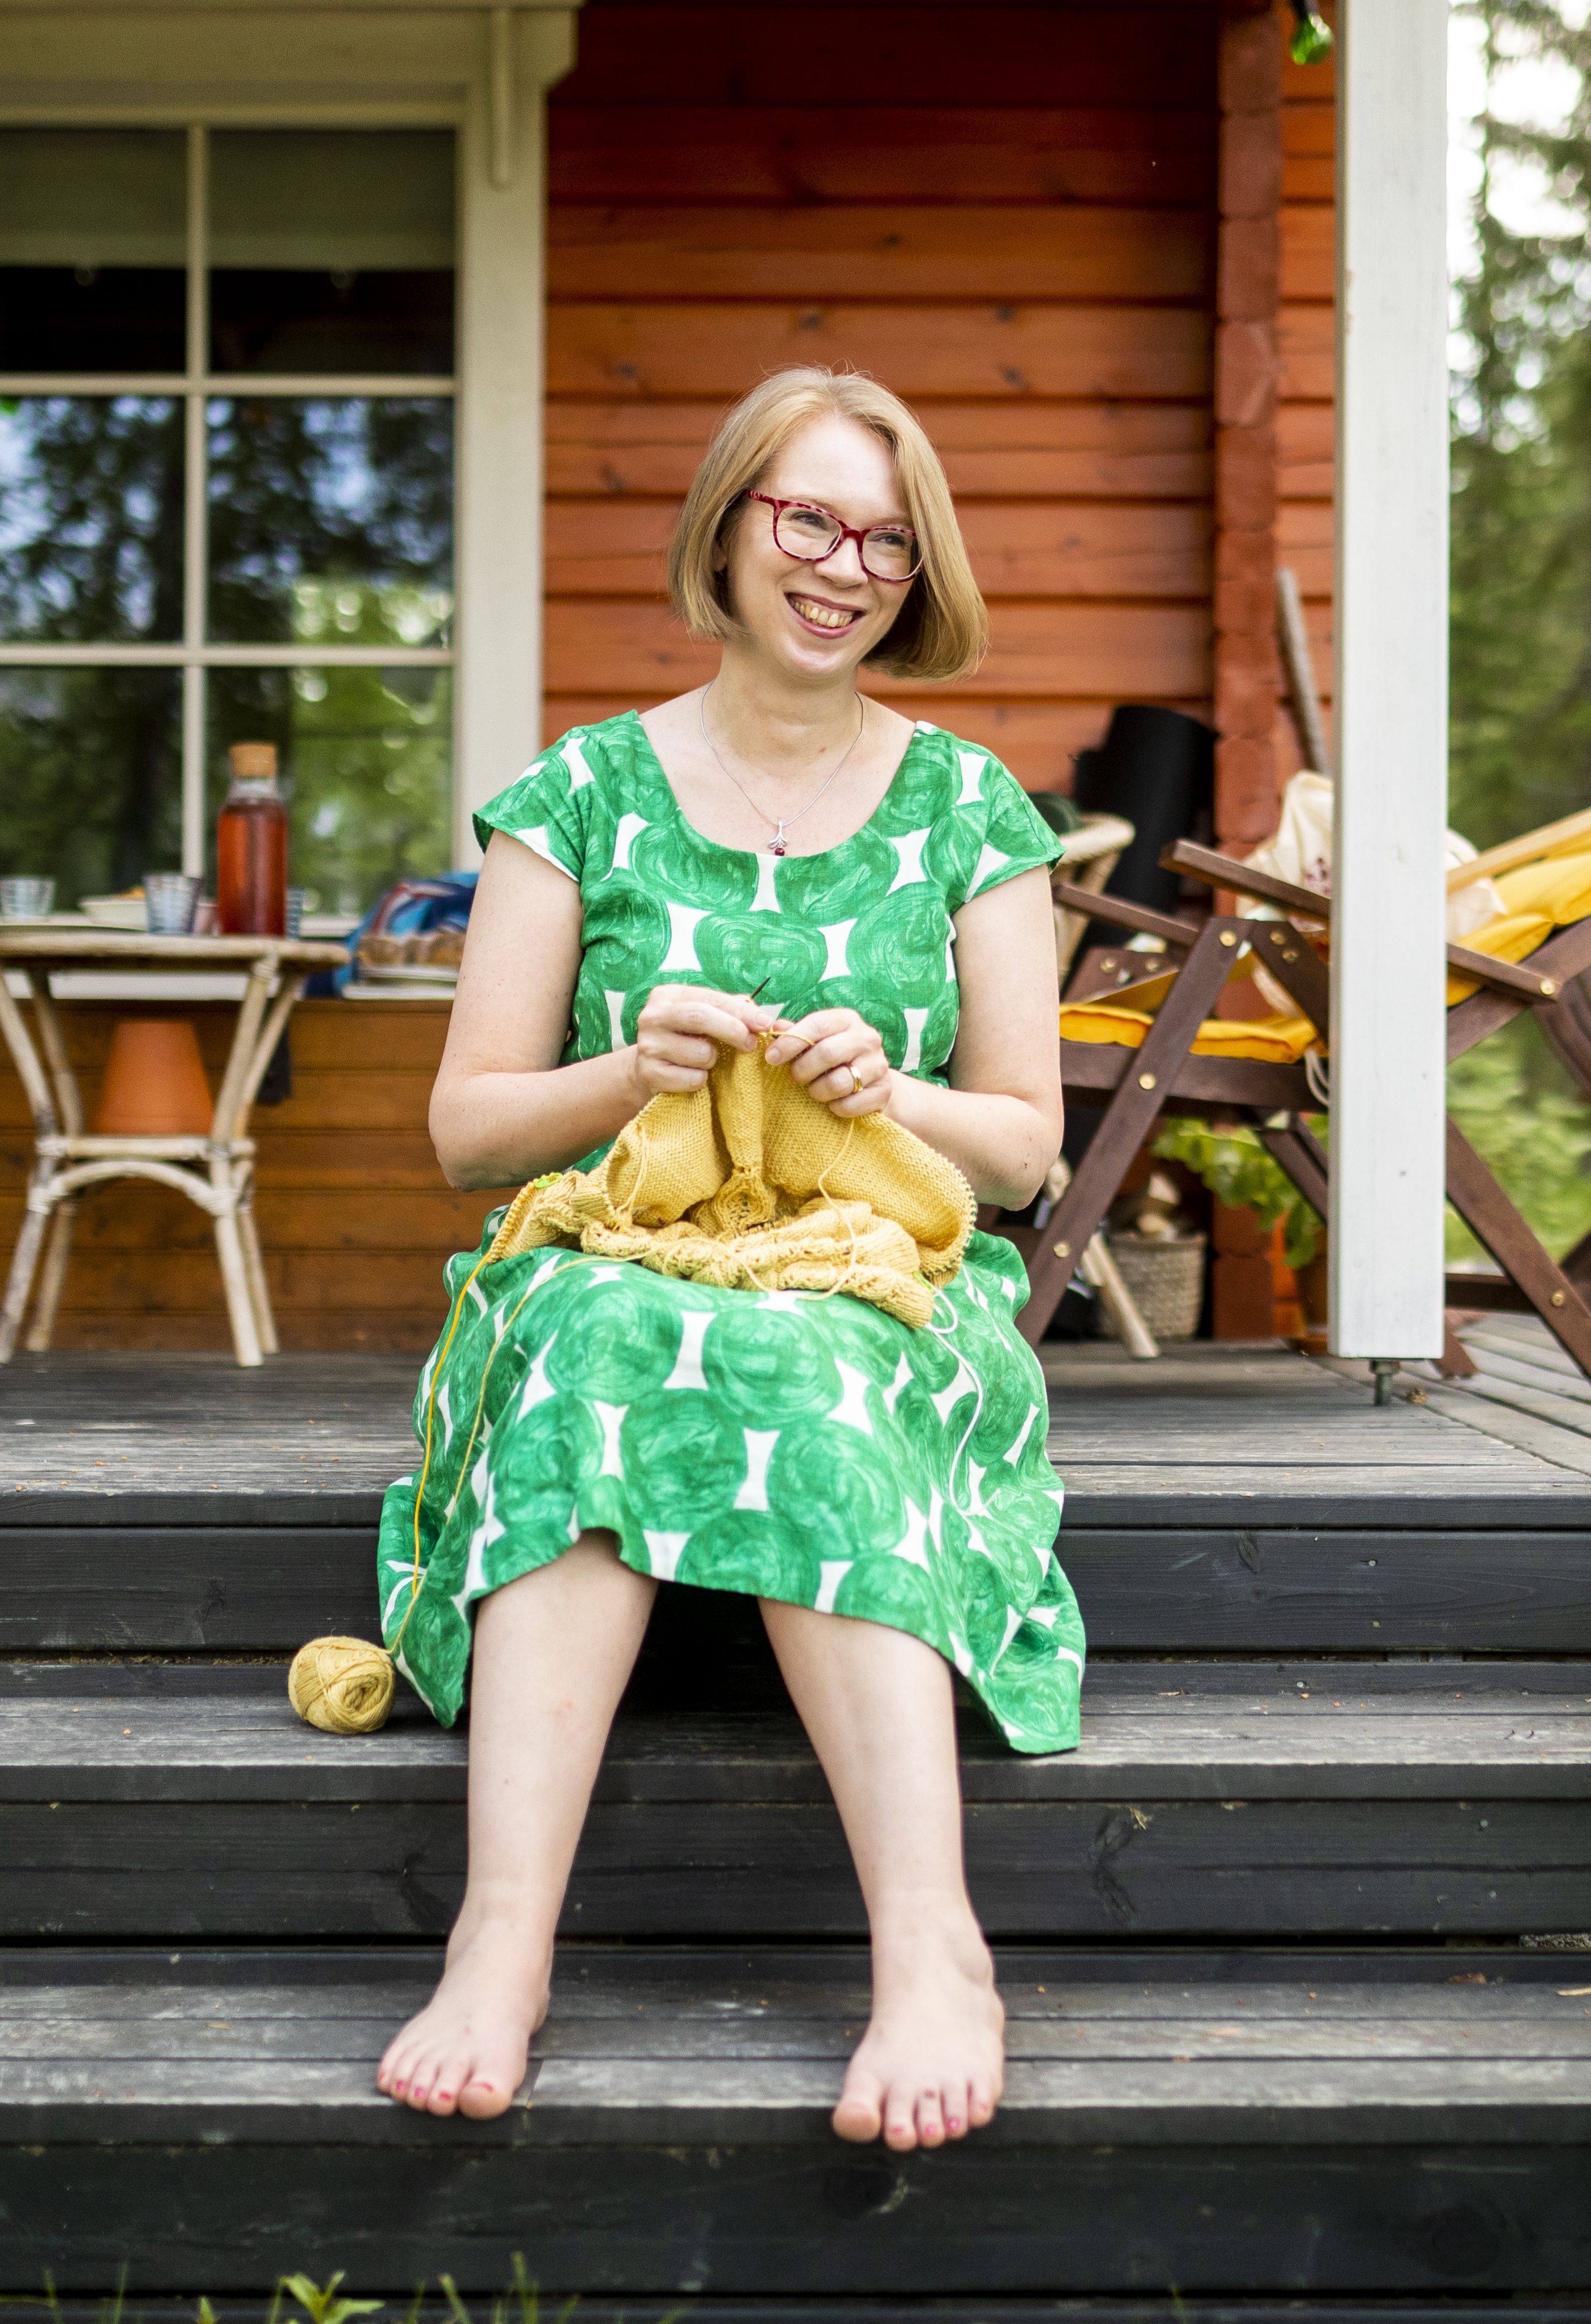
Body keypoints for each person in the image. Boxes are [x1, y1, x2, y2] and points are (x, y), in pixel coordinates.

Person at [374, 365, 1081, 2154]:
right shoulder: (581, 795)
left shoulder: (973, 813)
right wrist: (635, 1072)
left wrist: (892, 1088)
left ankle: (934, 1955)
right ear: (733, 524)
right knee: (613, 1327)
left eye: (886, 543)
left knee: (812, 1352)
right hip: (615, 1257)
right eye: (811, 520)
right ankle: (501, 1948)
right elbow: (468, 1132)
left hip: (874, 1276)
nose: (845, 567)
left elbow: (1024, 1148)